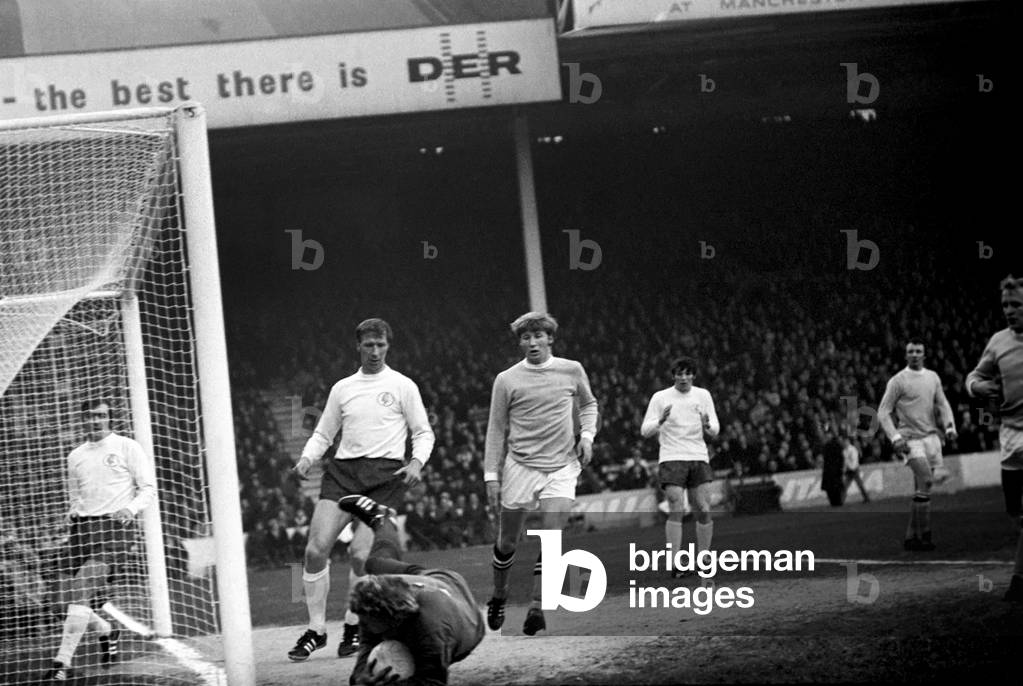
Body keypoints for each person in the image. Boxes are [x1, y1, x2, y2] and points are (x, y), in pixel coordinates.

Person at [289, 318, 435, 661]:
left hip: (384, 479)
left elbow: (424, 432)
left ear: (388, 345)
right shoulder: (343, 388)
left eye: (380, 344)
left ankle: (353, 626)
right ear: (358, 346)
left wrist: (416, 463)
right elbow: (324, 433)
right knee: (314, 551)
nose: (374, 351)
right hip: (343, 474)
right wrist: (308, 458)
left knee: (360, 556)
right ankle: (316, 630)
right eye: (368, 345)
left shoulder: (402, 385)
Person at [482, 312, 598, 635]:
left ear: (550, 339)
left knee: (552, 536)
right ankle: (499, 595)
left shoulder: (571, 370)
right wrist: (491, 475)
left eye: (538, 336)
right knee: (507, 541)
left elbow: (589, 405)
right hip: (520, 465)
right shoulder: (506, 380)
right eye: (525, 337)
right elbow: (496, 428)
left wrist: (586, 437)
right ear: (520, 342)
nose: (532, 342)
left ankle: (537, 606)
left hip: (562, 466)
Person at [46, 399, 157, 681]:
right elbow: (76, 497)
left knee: (81, 589)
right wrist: (71, 514)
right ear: (82, 419)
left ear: (109, 418)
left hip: (113, 529)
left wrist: (130, 509)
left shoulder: (127, 447)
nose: (96, 420)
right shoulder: (75, 456)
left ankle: (62, 663)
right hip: (81, 530)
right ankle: (107, 632)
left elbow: (147, 488)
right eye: (90, 416)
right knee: (58, 603)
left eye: (101, 415)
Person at [338, 494, 485, 686]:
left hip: (464, 617)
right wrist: (360, 679)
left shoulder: (431, 629)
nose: (363, 626)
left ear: (389, 619)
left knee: (418, 656)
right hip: (433, 579)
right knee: (374, 564)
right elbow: (365, 651)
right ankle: (381, 519)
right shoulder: (373, 610)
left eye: (367, 622)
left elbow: (433, 682)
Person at [966, 274, 1023, 601]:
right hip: (1011, 441)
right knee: (1014, 512)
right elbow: (973, 376)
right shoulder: (999, 342)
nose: (1009, 310)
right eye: (1005, 305)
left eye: (1016, 305)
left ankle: (1018, 579)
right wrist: (979, 386)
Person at [641, 356, 720, 577]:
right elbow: (645, 430)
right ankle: (676, 564)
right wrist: (660, 422)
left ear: (693, 375)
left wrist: (707, 425)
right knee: (676, 505)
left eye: (687, 373)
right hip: (671, 456)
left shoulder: (703, 395)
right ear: (673, 375)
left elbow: (715, 428)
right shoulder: (660, 397)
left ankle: (704, 559)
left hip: (697, 456)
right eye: (679, 373)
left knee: (703, 508)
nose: (683, 377)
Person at [877, 338, 957, 551]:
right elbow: (883, 412)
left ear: (924, 354)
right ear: (906, 355)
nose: (914, 354)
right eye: (910, 351)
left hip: (931, 438)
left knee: (922, 489)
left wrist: (950, 427)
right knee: (928, 480)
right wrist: (895, 438)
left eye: (918, 351)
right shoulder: (898, 381)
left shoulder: (932, 377)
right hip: (910, 440)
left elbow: (943, 403)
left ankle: (912, 537)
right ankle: (925, 536)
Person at [820, 424, 846, 507]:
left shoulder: (835, 445)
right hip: (829, 471)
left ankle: (837, 502)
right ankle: (834, 503)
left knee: (835, 488)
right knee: (831, 488)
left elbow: (841, 459)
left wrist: (840, 469)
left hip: (834, 471)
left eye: (828, 434)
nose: (827, 436)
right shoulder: (827, 445)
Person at [841, 435, 870, 504]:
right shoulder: (844, 451)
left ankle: (866, 498)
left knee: (859, 485)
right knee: (845, 486)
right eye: (843, 442)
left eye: (845, 441)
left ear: (848, 442)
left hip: (854, 470)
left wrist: (851, 468)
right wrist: (844, 469)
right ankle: (841, 501)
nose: (844, 443)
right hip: (849, 470)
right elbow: (845, 462)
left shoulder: (852, 449)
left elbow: (854, 460)